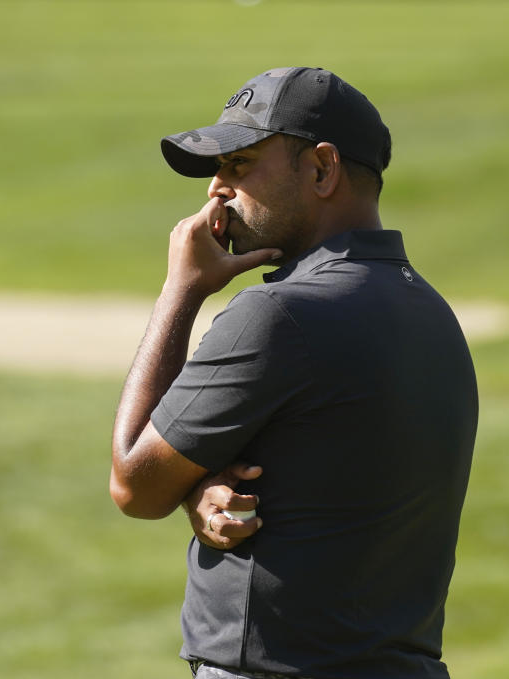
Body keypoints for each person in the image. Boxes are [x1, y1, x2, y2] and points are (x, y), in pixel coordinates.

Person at [109, 67, 478, 679]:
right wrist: (198, 492)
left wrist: (180, 292)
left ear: (321, 169)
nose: (215, 191)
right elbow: (330, 478)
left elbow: (135, 484)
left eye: (240, 164)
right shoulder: (430, 309)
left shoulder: (280, 313)